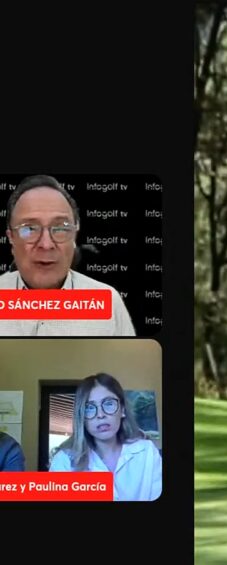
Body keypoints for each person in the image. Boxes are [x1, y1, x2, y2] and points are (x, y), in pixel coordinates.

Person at [0, 175, 136, 336]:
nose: (46, 244)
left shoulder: (108, 301)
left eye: (60, 228)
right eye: (29, 229)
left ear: (74, 235)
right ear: (11, 237)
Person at [49, 373, 161, 501]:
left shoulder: (147, 453)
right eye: (89, 408)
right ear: (82, 418)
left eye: (108, 404)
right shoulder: (64, 462)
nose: (100, 415)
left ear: (122, 410)